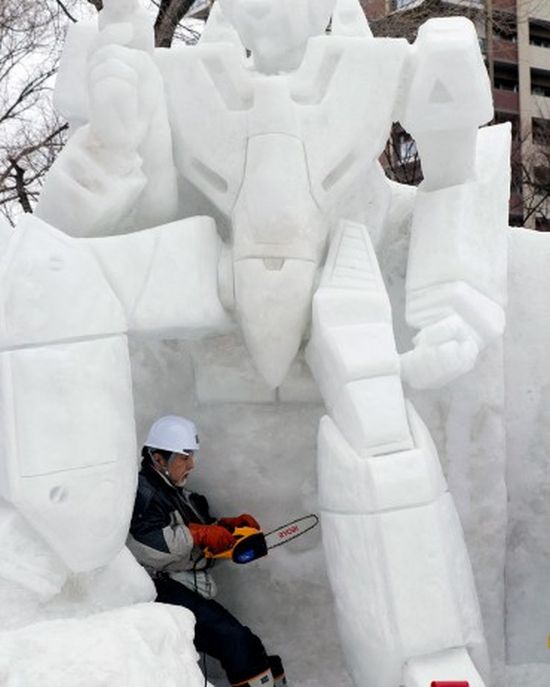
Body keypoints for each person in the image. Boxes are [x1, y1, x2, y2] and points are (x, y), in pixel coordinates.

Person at [127, 415, 287, 687]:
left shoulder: (176, 491)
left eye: (191, 455)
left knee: (249, 646)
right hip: (161, 590)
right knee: (236, 643)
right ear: (158, 459)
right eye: (184, 456)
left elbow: (198, 525)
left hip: (182, 587)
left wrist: (226, 527)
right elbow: (148, 544)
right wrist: (200, 534)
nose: (191, 464)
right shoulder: (144, 492)